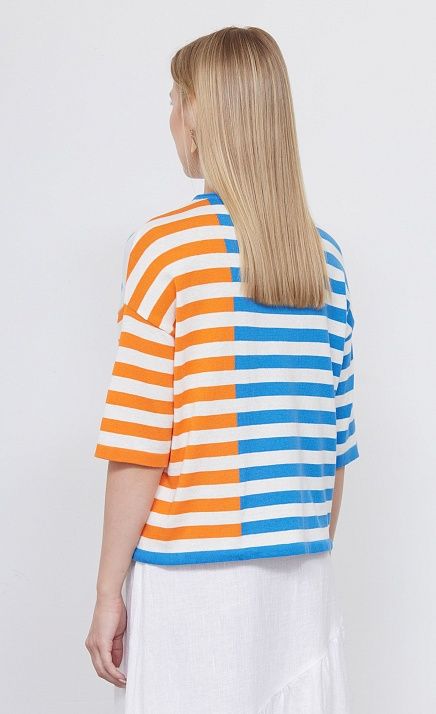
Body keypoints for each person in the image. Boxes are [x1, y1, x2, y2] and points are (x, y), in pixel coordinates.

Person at [85, 25, 360, 714]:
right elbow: (335, 449)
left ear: (202, 115)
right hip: (302, 576)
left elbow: (140, 441)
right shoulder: (324, 261)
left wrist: (107, 591)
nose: (170, 118)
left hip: (192, 581)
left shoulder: (166, 250)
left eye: (175, 100)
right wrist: (297, 549)